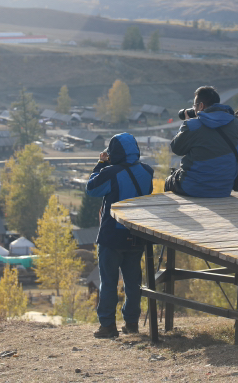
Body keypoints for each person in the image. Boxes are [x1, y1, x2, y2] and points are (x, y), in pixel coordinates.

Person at [85, 132, 154, 338]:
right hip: (136, 234)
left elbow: (91, 188)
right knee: (133, 283)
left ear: (114, 152)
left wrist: (101, 164)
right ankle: (131, 323)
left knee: (109, 282)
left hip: (111, 236)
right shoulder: (147, 171)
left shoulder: (111, 173)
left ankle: (108, 325)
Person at [165, 85, 238, 198]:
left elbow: (176, 149)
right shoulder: (236, 123)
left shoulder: (192, 125)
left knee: (169, 180)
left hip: (193, 188)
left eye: (194, 106)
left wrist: (186, 124)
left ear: (201, 106)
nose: (194, 109)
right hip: (224, 189)